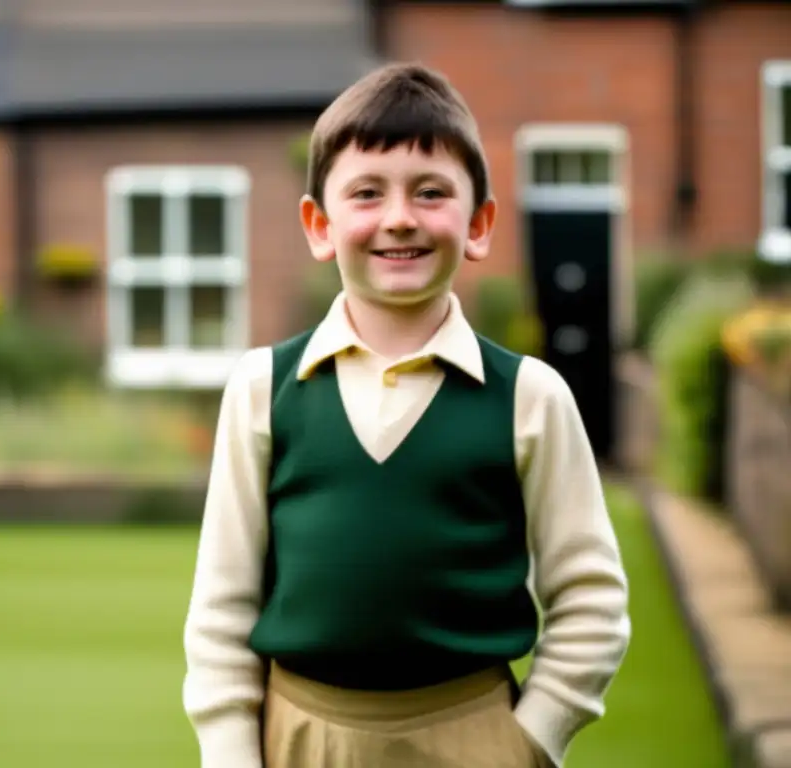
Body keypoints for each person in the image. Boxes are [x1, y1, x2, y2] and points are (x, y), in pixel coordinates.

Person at [181, 61, 631, 768]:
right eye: (366, 193)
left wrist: (527, 740)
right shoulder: (262, 388)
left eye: (430, 193)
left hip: (476, 735)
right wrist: (230, 755)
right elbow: (220, 609)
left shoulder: (531, 396)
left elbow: (592, 602)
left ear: (479, 223)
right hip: (298, 737)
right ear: (319, 225)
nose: (398, 218)